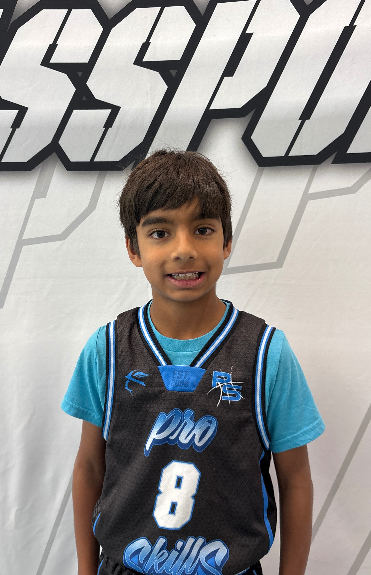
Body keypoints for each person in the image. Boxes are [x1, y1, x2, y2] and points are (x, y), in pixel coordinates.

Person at [62, 150, 325, 575]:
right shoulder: (107, 349)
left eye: (202, 229)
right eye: (160, 232)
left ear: (226, 241)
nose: (184, 250)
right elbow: (90, 467)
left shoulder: (265, 352)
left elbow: (295, 480)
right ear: (133, 248)